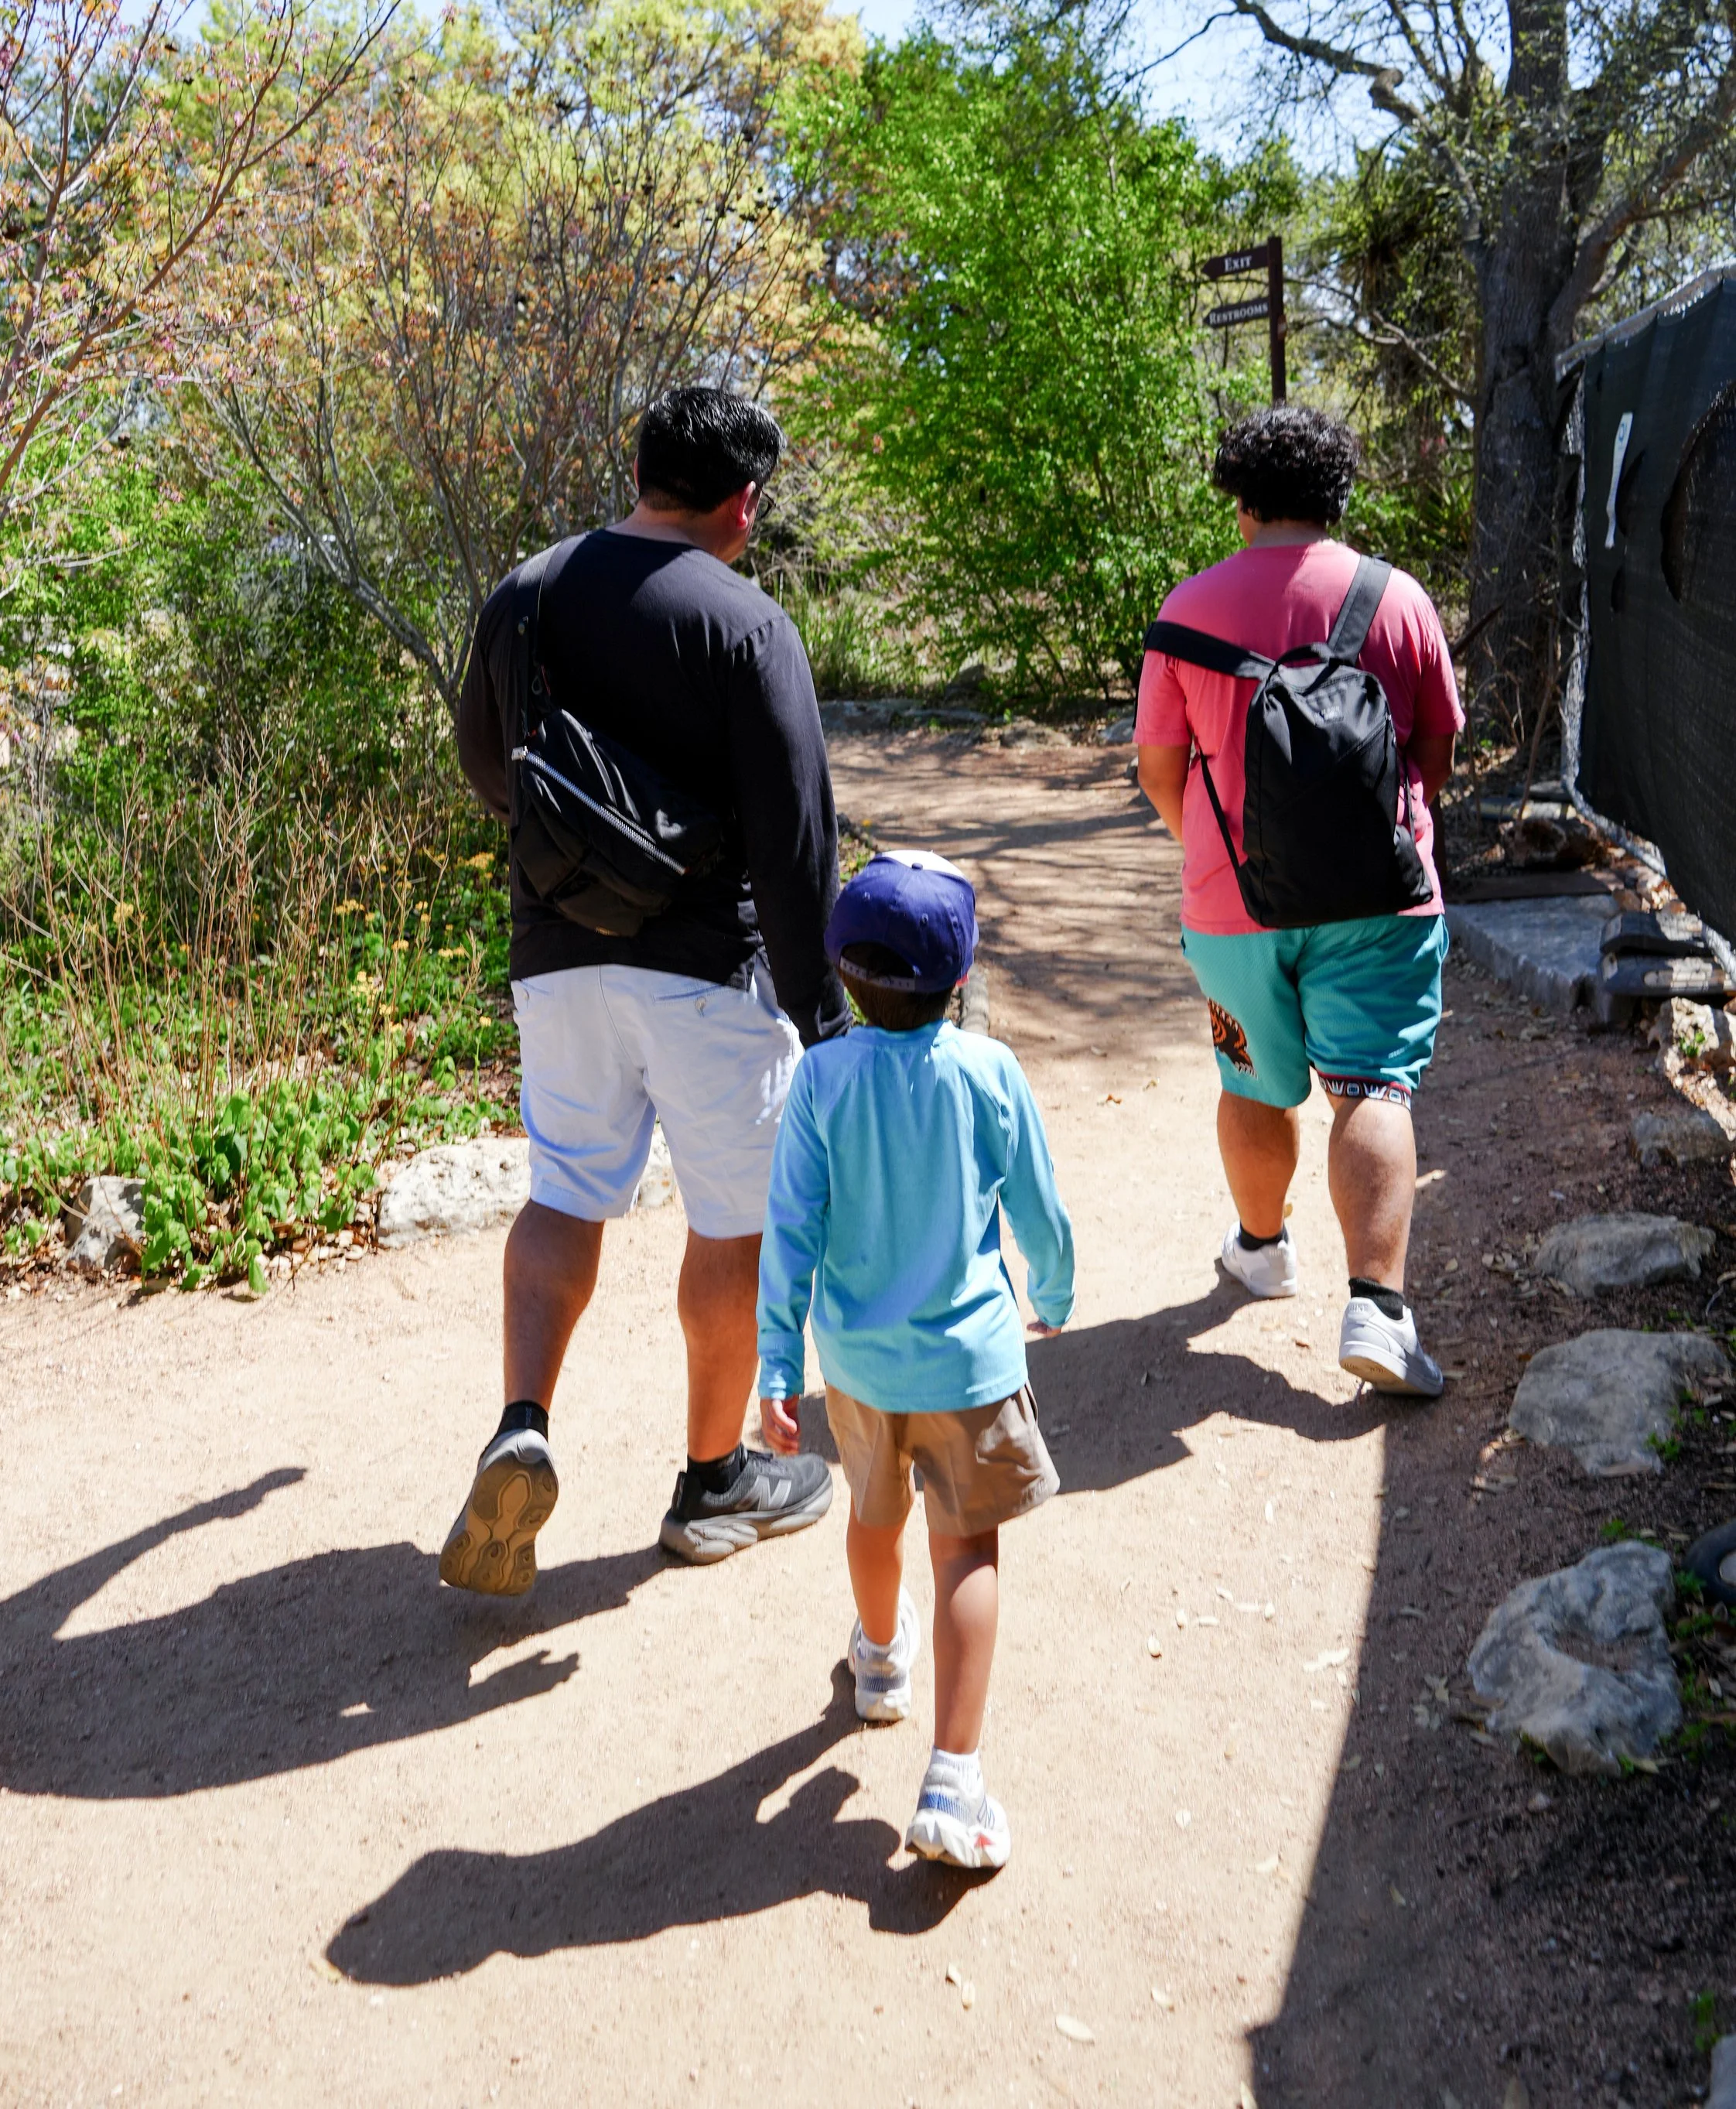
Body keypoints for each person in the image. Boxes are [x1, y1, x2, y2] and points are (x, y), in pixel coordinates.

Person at [444, 384, 849, 1595]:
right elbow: (795, 844)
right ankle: (714, 1477)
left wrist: (580, 847)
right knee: (733, 1219)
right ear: (743, 499)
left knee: (566, 1190)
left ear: (643, 472)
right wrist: (823, 1020)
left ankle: (524, 1418)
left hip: (558, 951)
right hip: (709, 971)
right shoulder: (745, 621)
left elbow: (482, 760)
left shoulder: (529, 588)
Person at [1134, 405, 1464, 1395]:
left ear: (1240, 504)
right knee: (1371, 1086)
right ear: (1338, 496)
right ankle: (1379, 1313)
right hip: (1380, 899)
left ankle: (1261, 1249)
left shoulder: (1185, 610)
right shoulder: (1396, 597)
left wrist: (1219, 858)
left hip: (1232, 911)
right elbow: (1434, 751)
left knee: (1249, 1081)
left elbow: (1158, 768)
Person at [757, 849, 1075, 1873]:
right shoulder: (988, 1071)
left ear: (844, 970)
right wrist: (1057, 1290)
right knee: (967, 1548)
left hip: (856, 1368)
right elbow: (1039, 1203)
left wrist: (775, 1362)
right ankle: (955, 1775)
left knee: (872, 1515)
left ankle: (881, 1658)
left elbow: (790, 1226)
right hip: (971, 1367)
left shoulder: (822, 1077)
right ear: (962, 978)